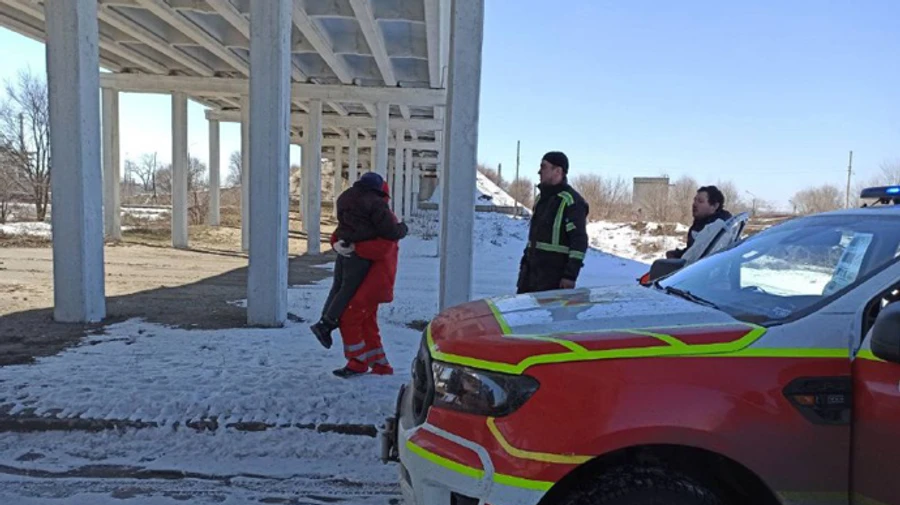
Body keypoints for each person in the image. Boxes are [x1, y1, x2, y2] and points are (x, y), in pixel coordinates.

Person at [309, 172, 407, 349]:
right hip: (359, 254)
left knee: (337, 287)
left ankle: (324, 320)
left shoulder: (345, 197)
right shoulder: (375, 202)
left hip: (343, 248)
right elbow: (389, 232)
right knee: (348, 290)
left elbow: (344, 223)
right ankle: (327, 324)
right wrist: (403, 228)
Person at [328, 180, 402, 378]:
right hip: (367, 282)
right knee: (367, 323)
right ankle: (380, 364)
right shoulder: (367, 216)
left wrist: (354, 247)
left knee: (349, 318)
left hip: (374, 282)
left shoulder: (386, 221)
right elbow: (342, 232)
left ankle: (358, 361)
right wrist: (337, 243)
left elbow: (382, 248)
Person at [516, 151, 589, 294]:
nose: (539, 172)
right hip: (530, 276)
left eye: (543, 167)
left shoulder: (572, 201)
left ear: (558, 171)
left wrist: (570, 276)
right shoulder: (541, 198)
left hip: (552, 278)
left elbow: (579, 241)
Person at [666, 185, 733, 259]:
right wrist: (676, 254)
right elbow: (693, 251)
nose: (694, 204)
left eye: (700, 201)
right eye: (695, 200)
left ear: (714, 206)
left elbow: (697, 259)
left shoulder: (715, 229)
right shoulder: (700, 223)